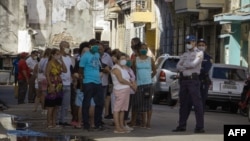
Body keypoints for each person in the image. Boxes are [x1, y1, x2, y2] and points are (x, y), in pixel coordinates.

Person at [173, 35, 205, 133]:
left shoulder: (199, 53)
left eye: (190, 42)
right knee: (183, 104)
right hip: (184, 81)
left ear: (194, 42)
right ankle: (181, 125)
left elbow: (194, 64)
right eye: (187, 42)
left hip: (193, 80)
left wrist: (184, 66)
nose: (188, 44)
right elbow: (177, 66)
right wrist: (185, 67)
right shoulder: (185, 54)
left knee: (197, 104)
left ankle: (200, 127)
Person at [79, 41, 104, 131]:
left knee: (100, 103)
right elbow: (81, 69)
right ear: (90, 46)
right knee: (86, 103)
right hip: (88, 81)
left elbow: (99, 66)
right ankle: (86, 124)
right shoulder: (85, 56)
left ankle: (97, 123)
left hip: (98, 81)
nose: (96, 47)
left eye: (97, 46)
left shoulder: (97, 54)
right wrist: (82, 82)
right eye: (95, 46)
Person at [131, 43, 156, 129]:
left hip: (148, 84)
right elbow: (133, 71)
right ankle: (139, 122)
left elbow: (154, 70)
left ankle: (148, 122)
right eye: (142, 48)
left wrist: (150, 77)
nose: (144, 50)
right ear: (139, 50)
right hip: (139, 84)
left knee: (148, 104)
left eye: (145, 48)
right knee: (138, 103)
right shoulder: (135, 59)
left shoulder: (150, 59)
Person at [111, 53, 137, 133]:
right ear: (118, 60)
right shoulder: (116, 68)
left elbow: (129, 78)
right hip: (120, 90)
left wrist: (133, 85)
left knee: (122, 109)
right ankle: (117, 127)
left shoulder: (124, 68)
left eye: (124, 59)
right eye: (122, 59)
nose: (124, 60)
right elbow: (120, 80)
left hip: (126, 90)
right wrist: (131, 85)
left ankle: (122, 126)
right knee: (117, 109)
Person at [45, 48, 67, 129]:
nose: (58, 55)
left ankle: (54, 122)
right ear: (52, 55)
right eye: (57, 54)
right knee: (51, 106)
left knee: (56, 106)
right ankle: (49, 123)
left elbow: (65, 70)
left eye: (59, 54)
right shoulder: (50, 63)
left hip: (59, 85)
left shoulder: (59, 63)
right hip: (52, 84)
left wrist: (62, 60)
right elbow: (47, 74)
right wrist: (50, 85)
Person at [57, 41, 73, 126]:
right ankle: (57, 120)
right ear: (62, 47)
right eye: (67, 46)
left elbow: (70, 69)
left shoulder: (69, 58)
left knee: (66, 104)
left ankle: (63, 120)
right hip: (60, 83)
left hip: (68, 83)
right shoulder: (58, 57)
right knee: (59, 104)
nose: (68, 48)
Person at [99, 42, 114, 119]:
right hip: (94, 82)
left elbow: (112, 67)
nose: (99, 51)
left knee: (102, 101)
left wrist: (107, 70)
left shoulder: (107, 56)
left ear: (103, 49)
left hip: (104, 82)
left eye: (101, 49)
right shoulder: (93, 56)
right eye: (98, 49)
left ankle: (100, 118)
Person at [197, 38, 213, 110]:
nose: (201, 47)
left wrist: (196, 69)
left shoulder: (208, 58)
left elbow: (206, 69)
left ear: (206, 47)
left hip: (203, 81)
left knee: (202, 99)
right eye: (199, 45)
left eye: (202, 45)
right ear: (197, 46)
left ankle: (200, 115)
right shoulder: (193, 56)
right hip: (194, 80)